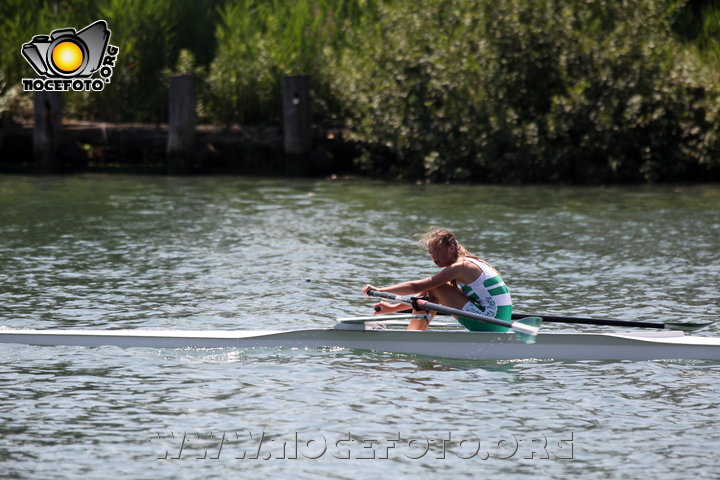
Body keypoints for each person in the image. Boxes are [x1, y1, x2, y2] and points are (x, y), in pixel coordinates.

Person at [361, 228, 512, 331]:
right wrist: (394, 309)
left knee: (435, 286)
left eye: (438, 251)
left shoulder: (461, 266)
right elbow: (431, 297)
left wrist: (380, 290)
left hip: (491, 322)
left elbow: (416, 287)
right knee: (437, 288)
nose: (434, 257)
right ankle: (413, 333)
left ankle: (412, 336)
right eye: (431, 252)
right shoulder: (469, 263)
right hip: (498, 322)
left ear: (451, 248)